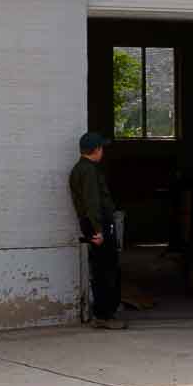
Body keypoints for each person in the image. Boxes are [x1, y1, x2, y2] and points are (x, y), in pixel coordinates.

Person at [68, 131, 124, 330]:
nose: (103, 152)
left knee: (101, 268)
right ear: (96, 149)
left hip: (91, 224)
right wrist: (99, 230)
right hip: (97, 225)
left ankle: (103, 313)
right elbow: (92, 202)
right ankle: (104, 315)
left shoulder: (79, 169)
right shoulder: (89, 170)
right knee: (106, 269)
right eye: (101, 148)